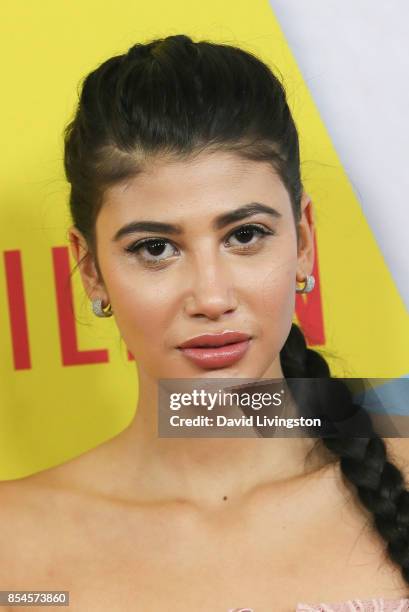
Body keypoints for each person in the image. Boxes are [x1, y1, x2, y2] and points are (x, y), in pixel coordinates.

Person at [1, 34, 409, 611]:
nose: (211, 297)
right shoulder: (12, 545)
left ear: (305, 241)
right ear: (90, 270)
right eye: (154, 248)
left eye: (245, 236)